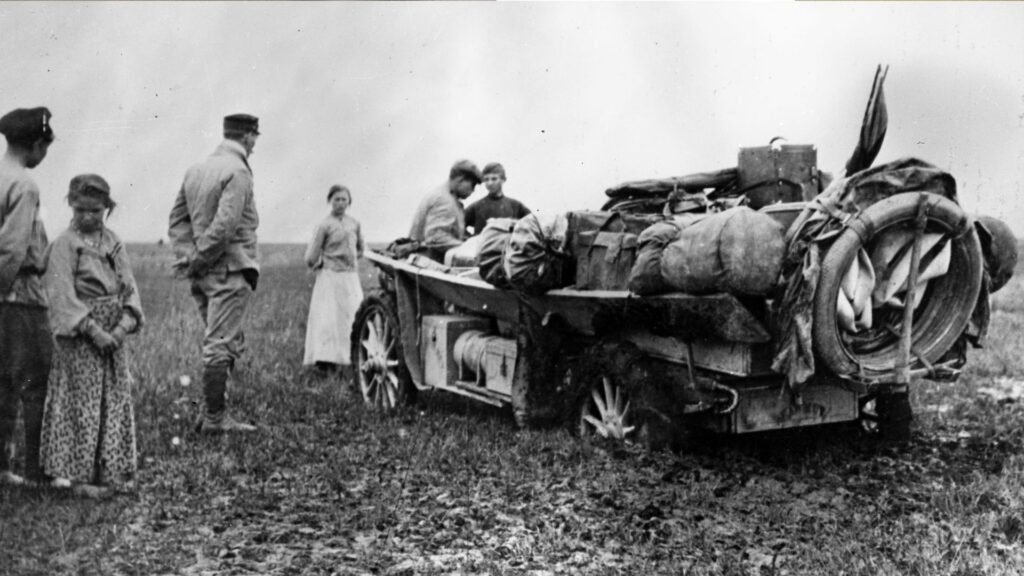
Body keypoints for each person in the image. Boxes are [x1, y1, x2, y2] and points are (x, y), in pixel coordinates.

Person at [41, 174, 144, 497]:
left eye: (96, 211)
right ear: (71, 206)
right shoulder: (65, 245)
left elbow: (129, 287)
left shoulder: (113, 242)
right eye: (81, 210)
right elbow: (62, 295)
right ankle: (77, 478)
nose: (88, 217)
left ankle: (110, 471)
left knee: (112, 402)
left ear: (106, 209)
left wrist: (123, 326)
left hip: (113, 335)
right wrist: (94, 330)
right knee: (82, 403)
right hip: (81, 337)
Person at [168, 113, 261, 434]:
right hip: (228, 271)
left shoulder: (196, 170)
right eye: (254, 138)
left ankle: (214, 411)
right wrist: (200, 259)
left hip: (203, 274)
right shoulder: (238, 171)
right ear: (248, 137)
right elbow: (226, 226)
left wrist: (190, 257)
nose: (254, 144)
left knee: (221, 339)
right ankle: (214, 417)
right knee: (220, 343)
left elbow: (177, 221)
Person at [0, 107, 55, 487]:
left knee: (4, 382)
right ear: (36, 144)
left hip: (8, 295)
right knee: (36, 381)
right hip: (19, 296)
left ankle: (4, 467)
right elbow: (12, 249)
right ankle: (36, 471)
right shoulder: (25, 185)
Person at [303, 185, 364, 386]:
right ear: (330, 201)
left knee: (352, 318)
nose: (340, 203)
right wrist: (322, 264)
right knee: (329, 321)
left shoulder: (354, 224)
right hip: (330, 278)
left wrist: (350, 262)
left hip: (350, 278)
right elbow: (311, 255)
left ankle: (351, 360)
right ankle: (326, 364)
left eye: (344, 200)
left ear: (349, 202)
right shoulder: (324, 225)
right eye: (336, 199)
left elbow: (360, 249)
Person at [408, 159, 481, 261]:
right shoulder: (444, 201)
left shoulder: (445, 196)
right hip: (428, 264)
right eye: (472, 185)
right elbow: (436, 239)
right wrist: (468, 248)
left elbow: (449, 233)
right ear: (461, 179)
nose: (473, 190)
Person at [464, 162, 530, 236]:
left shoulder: (516, 205)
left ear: (503, 180)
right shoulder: (477, 207)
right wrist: (471, 241)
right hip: (484, 246)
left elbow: (532, 224)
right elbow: (458, 226)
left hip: (508, 246)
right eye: (486, 179)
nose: (490, 183)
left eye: (494, 179)